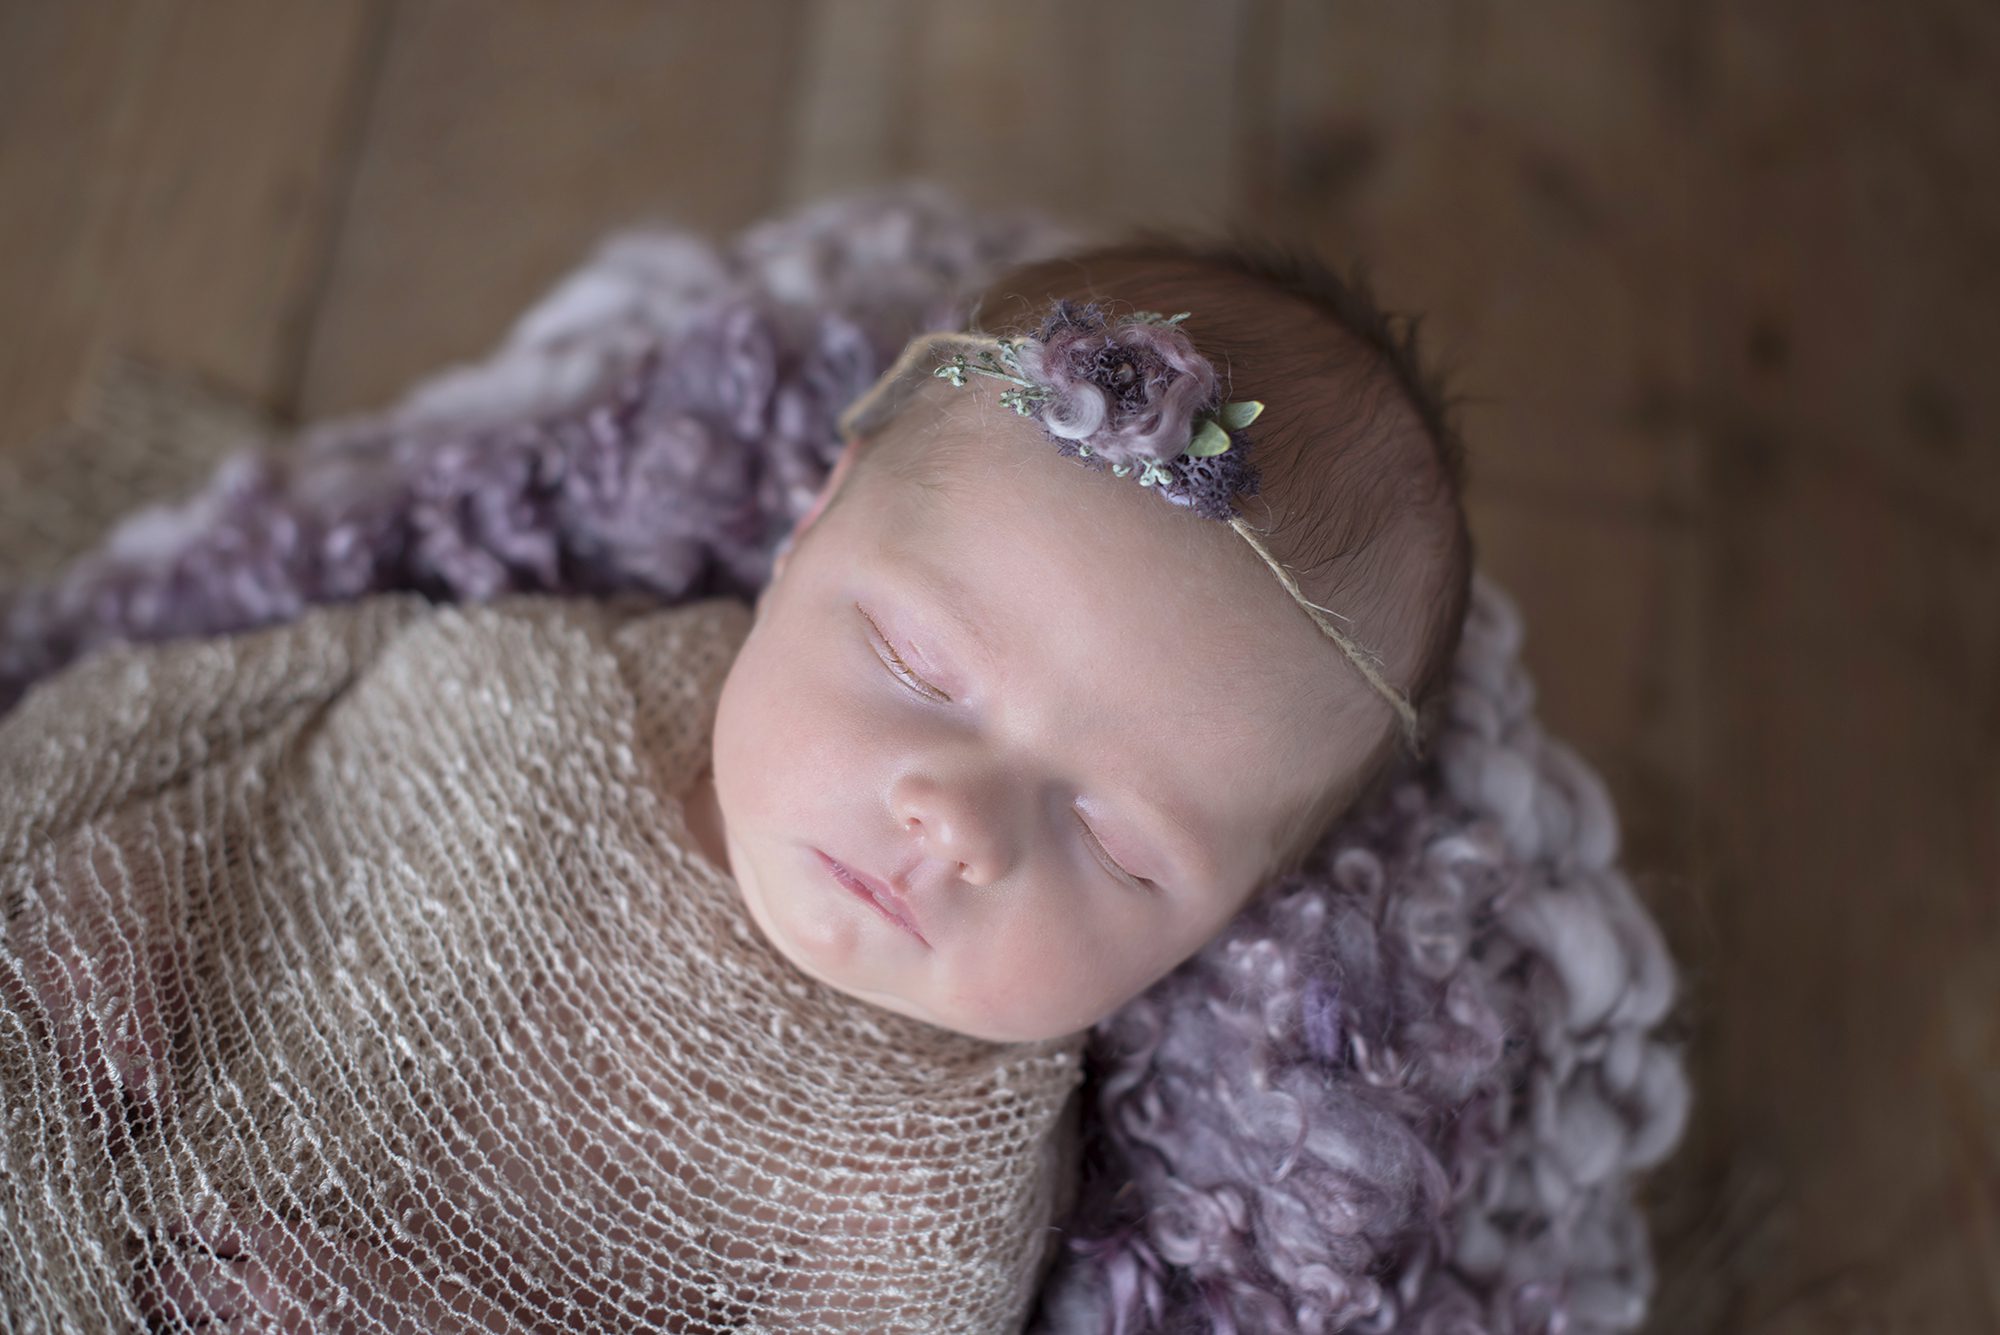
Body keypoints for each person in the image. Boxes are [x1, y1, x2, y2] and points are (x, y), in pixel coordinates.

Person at [0, 238, 1470, 1332]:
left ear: (1236, 919)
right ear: (808, 529)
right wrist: (107, 909)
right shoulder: (540, 672)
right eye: (915, 660)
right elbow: (192, 725)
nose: (953, 818)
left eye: (1115, 837)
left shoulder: (925, 1203)